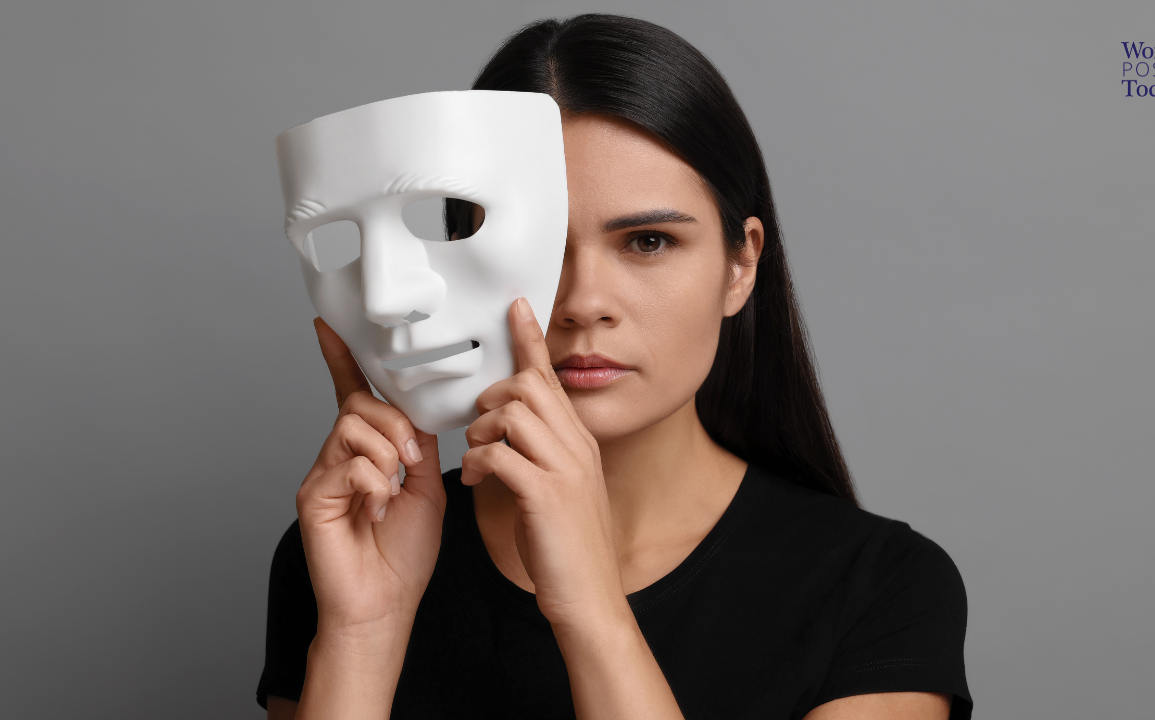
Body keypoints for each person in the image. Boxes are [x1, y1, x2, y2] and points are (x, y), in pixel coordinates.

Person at [257, 14, 971, 720]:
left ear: (740, 264)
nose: (583, 304)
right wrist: (361, 635)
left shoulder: (882, 589)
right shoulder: (357, 546)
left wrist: (592, 610)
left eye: (649, 242)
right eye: (541, 246)